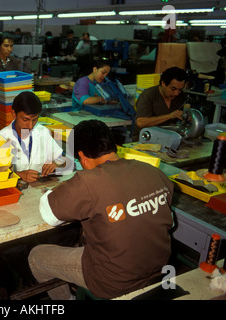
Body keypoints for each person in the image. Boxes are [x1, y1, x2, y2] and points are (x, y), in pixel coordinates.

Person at [28, 119, 174, 300]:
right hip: (159, 269)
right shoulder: (153, 172)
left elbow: (49, 214)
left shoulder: (88, 182)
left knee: (36, 257)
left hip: (114, 281)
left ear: (81, 156)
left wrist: (64, 188)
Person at [0, 91, 66, 183]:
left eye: (35, 120)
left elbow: (63, 159)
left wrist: (57, 164)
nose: (30, 126)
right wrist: (17, 175)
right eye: (25, 119)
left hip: (38, 188)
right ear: (14, 114)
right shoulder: (1, 138)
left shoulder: (43, 132)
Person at [132, 66, 187, 141]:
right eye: (173, 89)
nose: (176, 93)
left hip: (169, 138)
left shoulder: (181, 96)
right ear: (163, 83)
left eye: (180, 90)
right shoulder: (148, 95)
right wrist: (169, 116)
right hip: (146, 140)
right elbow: (140, 122)